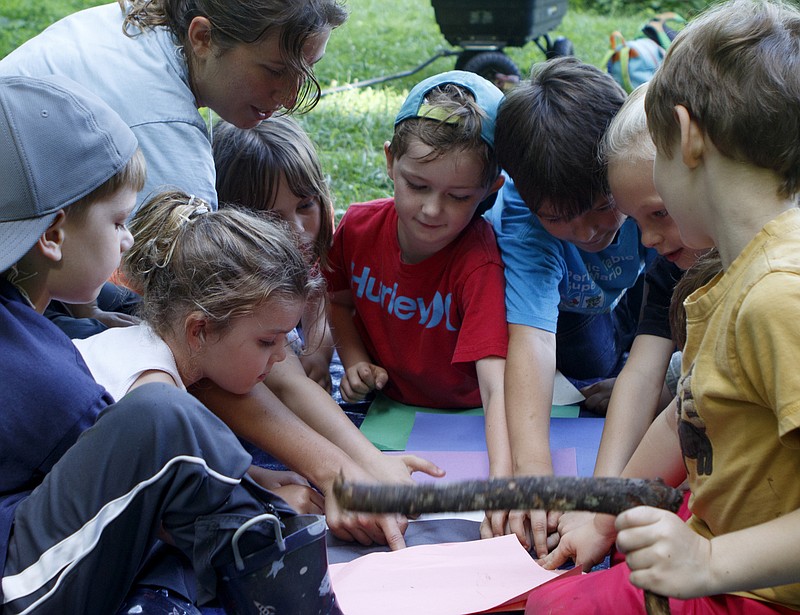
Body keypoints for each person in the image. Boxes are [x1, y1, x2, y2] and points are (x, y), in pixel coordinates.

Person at [0, 74, 340, 615]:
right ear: (53, 236)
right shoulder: (45, 375)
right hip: (17, 584)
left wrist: (248, 473)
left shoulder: (36, 319)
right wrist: (260, 494)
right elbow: (139, 478)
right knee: (164, 420)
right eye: (116, 221)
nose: (127, 239)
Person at [529, 2, 800, 612]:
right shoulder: (734, 273)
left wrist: (707, 562)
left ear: (684, 136)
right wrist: (607, 511)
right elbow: (691, 413)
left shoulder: (781, 291)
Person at [0, 0, 347, 335]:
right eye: (275, 70)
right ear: (202, 37)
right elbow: (212, 304)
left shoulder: (149, 22)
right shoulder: (160, 122)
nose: (289, 96)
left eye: (307, 68)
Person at [323, 71, 511, 537]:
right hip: (388, 412)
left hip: (464, 419)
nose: (431, 209)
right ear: (390, 162)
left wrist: (507, 481)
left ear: (490, 190)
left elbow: (496, 386)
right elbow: (339, 302)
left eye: (458, 196)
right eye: (417, 185)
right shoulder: (357, 229)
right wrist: (355, 361)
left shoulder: (478, 264)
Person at [484, 56, 653, 557]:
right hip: (573, 305)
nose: (588, 232)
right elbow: (532, 336)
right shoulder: (523, 214)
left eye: (602, 205)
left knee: (633, 358)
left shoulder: (648, 185)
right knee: (594, 365)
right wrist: (533, 472)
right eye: (561, 219)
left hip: (634, 281)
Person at [73, 190, 328, 517]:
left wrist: (252, 479)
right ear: (200, 330)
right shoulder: (152, 388)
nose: (281, 357)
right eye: (267, 342)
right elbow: (160, 512)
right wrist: (263, 506)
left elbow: (187, 470)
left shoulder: (156, 353)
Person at [590, 83, 708, 478]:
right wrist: (603, 491)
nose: (647, 240)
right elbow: (640, 372)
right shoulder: (669, 269)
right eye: (634, 221)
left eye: (659, 214)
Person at [213, 115, 335, 391]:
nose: (298, 230)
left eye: (305, 205)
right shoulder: (229, 279)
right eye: (273, 218)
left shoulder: (312, 249)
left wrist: (319, 352)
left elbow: (318, 303)